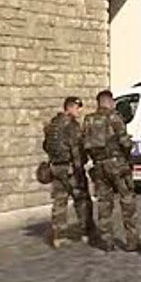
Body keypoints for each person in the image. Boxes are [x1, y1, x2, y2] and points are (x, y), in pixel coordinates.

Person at [83, 90, 141, 251]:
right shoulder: (114, 117)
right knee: (127, 200)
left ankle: (107, 241)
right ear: (110, 102)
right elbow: (125, 142)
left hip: (99, 166)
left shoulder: (88, 120)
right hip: (117, 164)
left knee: (104, 203)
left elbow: (84, 143)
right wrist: (128, 152)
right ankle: (132, 241)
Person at [42, 96, 95, 248]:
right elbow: (76, 148)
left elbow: (46, 146)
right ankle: (87, 232)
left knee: (59, 201)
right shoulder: (71, 125)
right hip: (71, 168)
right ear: (70, 107)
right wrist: (80, 168)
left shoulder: (53, 124)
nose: (80, 111)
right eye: (78, 108)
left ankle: (59, 236)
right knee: (82, 200)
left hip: (56, 168)